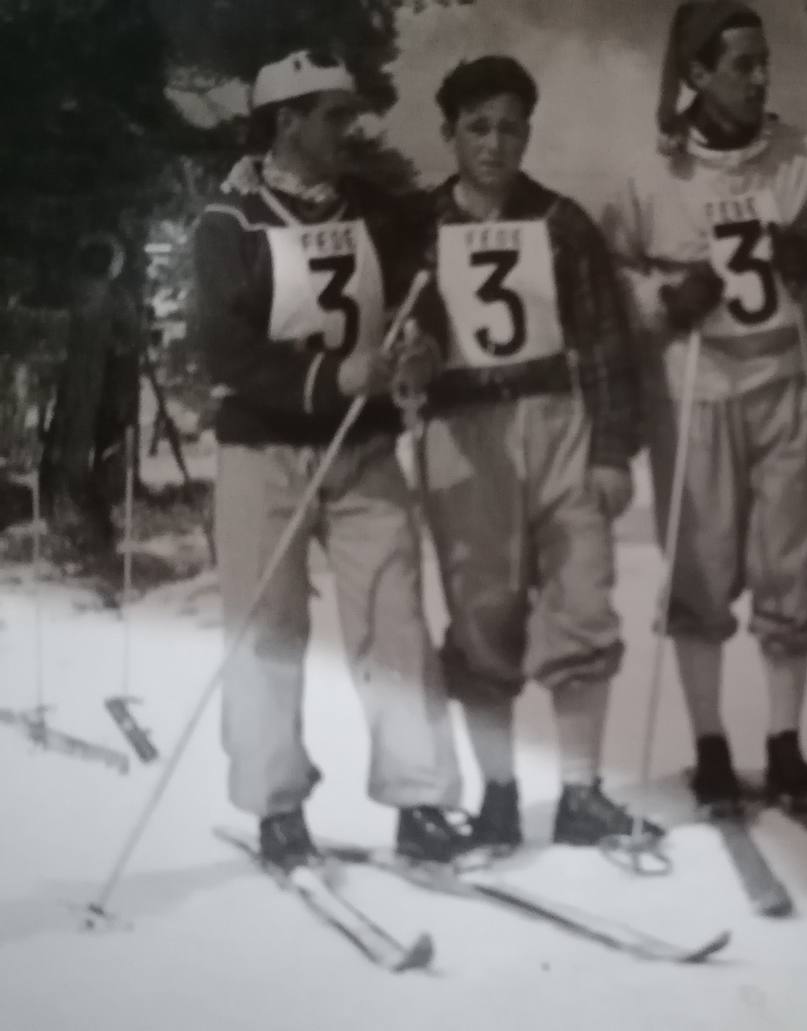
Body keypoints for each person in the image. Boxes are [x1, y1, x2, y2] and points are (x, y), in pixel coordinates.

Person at [192, 50, 469, 873]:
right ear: (286, 124)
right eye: (333, 117)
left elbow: (427, 305)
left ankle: (419, 799)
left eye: (352, 115)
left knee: (396, 623)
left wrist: (422, 351)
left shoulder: (374, 211)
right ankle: (278, 807)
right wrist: (325, 378)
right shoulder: (228, 220)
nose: (351, 130)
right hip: (263, 453)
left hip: (364, 448)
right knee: (267, 630)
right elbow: (222, 345)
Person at [601, 1, 807, 813]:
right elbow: (612, 280)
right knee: (701, 566)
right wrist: (663, 298)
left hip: (782, 379)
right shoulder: (654, 175)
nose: (759, 78)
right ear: (695, 75)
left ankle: (786, 745)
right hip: (693, 389)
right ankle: (710, 747)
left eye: (764, 64)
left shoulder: (801, 156)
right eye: (740, 65)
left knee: (788, 565)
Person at [413, 56, 661, 851]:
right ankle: (497, 793)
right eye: (478, 126)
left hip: (560, 421)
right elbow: (399, 332)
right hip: (465, 430)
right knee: (483, 613)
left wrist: (615, 450)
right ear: (450, 133)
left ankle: (582, 792)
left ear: (528, 133)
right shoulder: (418, 227)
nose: (495, 142)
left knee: (582, 601)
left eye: (511, 126)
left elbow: (604, 343)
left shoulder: (561, 221)